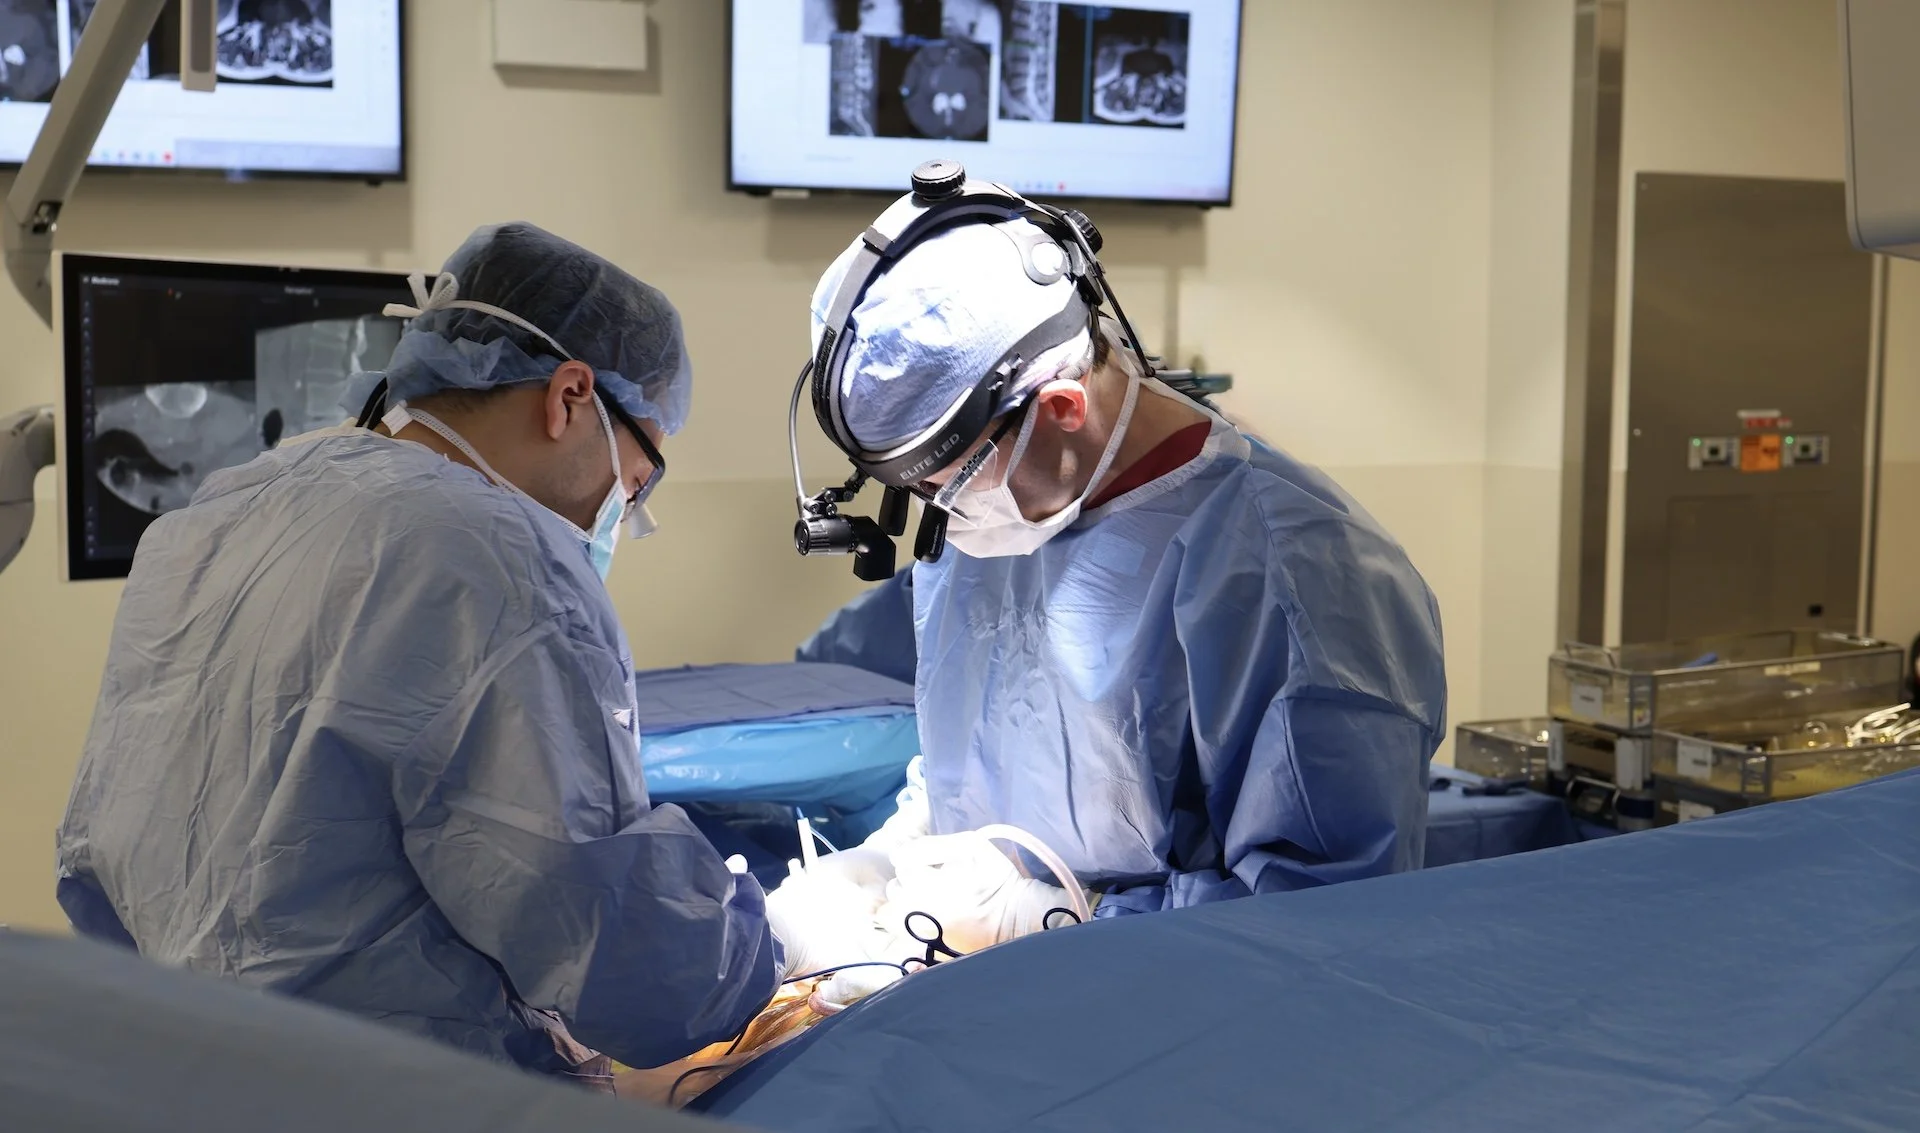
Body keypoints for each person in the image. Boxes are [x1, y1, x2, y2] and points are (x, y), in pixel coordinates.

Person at [54, 223, 858, 1083]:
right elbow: (613, 945)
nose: (626, 506)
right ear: (570, 397)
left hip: (179, 1070)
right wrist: (769, 950)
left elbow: (101, 853)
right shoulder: (504, 564)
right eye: (640, 474)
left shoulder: (217, 512)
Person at [796, 211, 1448, 953]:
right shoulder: (1002, 520)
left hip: (1185, 1037)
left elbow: (1331, 919)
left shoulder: (1298, 571)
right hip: (994, 1004)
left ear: (1062, 409)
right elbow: (982, 760)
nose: (944, 513)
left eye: (953, 485)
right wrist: (895, 858)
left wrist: (1060, 918)